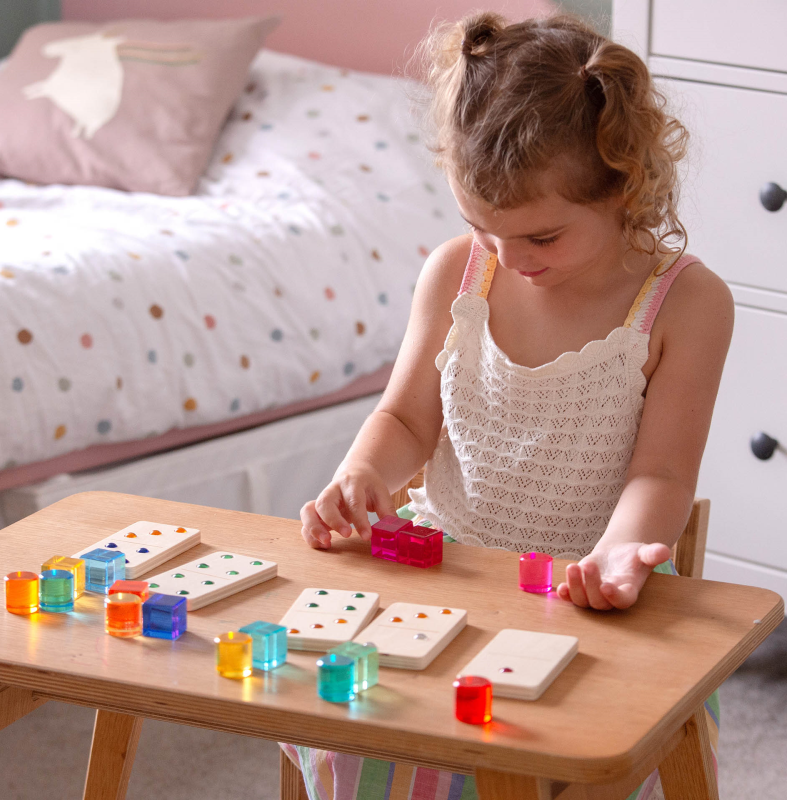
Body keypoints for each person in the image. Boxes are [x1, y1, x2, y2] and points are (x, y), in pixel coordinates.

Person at [288, 12, 732, 799]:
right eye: (481, 228)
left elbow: (660, 474)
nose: (508, 259)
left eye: (542, 238)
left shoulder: (685, 305)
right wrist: (364, 473)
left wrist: (619, 558)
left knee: (545, 746)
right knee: (334, 708)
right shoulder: (456, 274)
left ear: (623, 184)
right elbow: (405, 422)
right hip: (448, 579)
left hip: (588, 608)